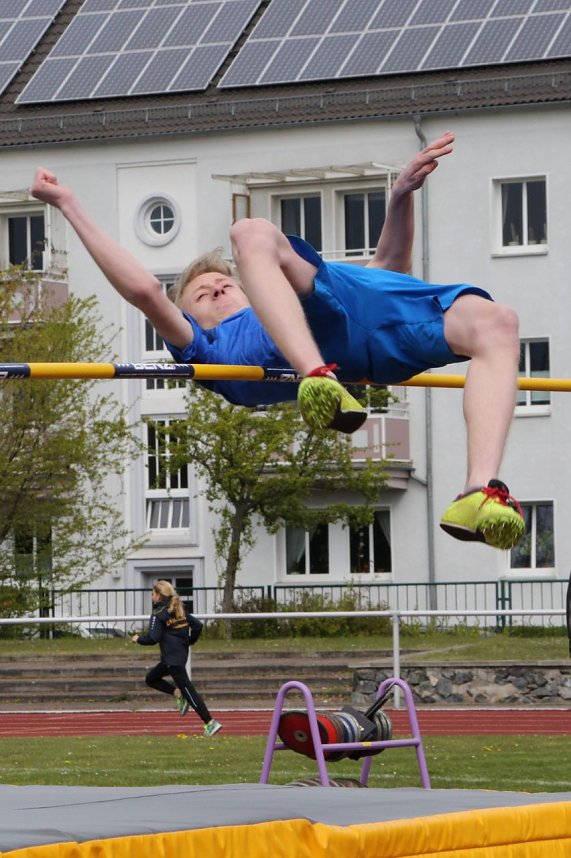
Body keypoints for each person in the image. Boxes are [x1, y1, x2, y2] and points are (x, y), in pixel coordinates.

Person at [30, 131, 524, 550]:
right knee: (248, 230)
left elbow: (390, 270)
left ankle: (478, 488)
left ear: (253, 287)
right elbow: (142, 290)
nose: (218, 287)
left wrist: (399, 198)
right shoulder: (204, 344)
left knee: (498, 322)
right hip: (334, 350)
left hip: (374, 314)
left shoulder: (284, 294)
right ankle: (316, 377)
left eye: (226, 283)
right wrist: (68, 203)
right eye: (203, 293)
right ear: (188, 316)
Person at [132, 580, 222, 737]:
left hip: (173, 661)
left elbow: (153, 638)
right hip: (176, 657)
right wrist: (189, 641)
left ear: (159, 595)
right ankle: (177, 694)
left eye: (153, 594)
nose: (152, 597)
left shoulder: (158, 614)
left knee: (189, 691)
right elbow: (198, 626)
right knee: (151, 678)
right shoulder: (178, 608)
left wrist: (138, 639)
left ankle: (209, 722)